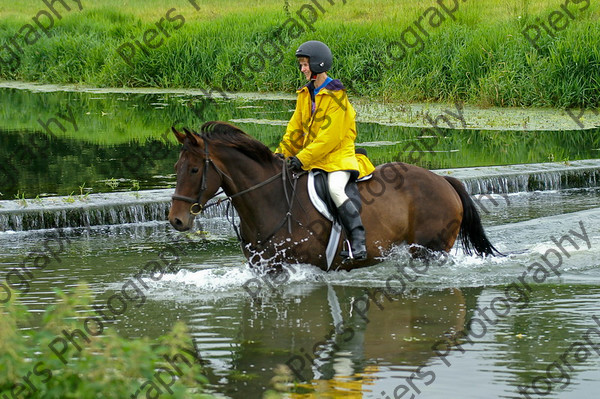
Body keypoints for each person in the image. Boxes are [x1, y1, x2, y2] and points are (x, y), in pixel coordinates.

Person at [275, 40, 375, 261]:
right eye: (301, 65)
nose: (302, 69)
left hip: (338, 158)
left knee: (335, 189)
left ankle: (357, 241)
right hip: (312, 159)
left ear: (319, 64)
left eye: (305, 65)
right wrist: (281, 154)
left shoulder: (336, 96)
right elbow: (295, 129)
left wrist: (301, 158)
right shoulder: (305, 94)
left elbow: (330, 138)